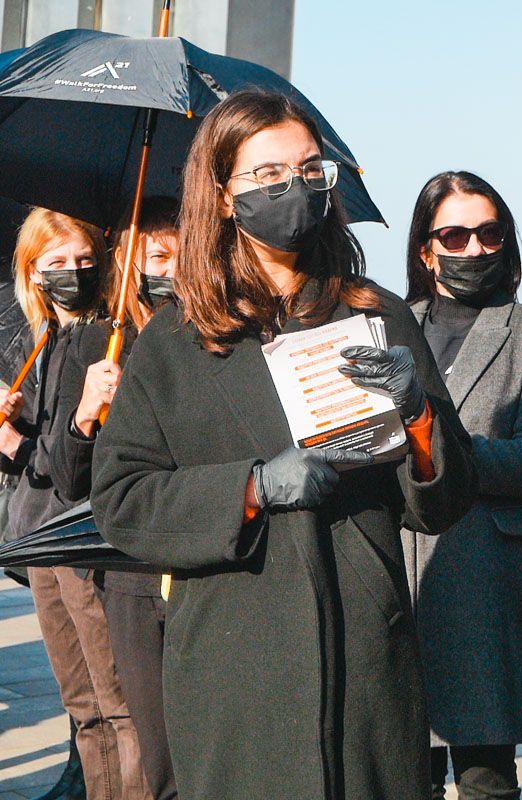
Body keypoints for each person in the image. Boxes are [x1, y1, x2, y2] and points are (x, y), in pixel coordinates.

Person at [88, 90, 477, 800]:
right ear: (223, 192)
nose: (293, 188)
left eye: (308, 169)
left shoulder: (376, 313)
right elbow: (122, 501)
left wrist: (419, 416)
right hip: (237, 671)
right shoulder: (172, 344)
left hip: (366, 661)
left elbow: (444, 501)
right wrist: (251, 487)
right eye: (267, 174)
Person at [404, 170, 522, 799]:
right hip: (401, 569)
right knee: (404, 770)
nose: (474, 249)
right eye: (455, 234)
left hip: (486, 577)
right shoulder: (391, 325)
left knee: (485, 777)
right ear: (427, 248)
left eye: (489, 233)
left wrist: (440, 449)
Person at [1, 208, 152, 800]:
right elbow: (42, 458)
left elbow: (72, 468)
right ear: (32, 272)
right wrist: (11, 440)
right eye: (56, 263)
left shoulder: (102, 338)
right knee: (82, 705)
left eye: (84, 261)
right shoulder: (44, 341)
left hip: (81, 540)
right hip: (40, 540)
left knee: (114, 705)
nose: (72, 273)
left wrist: (75, 416)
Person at [87, 196, 181, 800]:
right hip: (131, 575)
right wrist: (88, 413)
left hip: (201, 563)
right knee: (159, 753)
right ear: (128, 262)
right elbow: (73, 478)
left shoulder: (211, 340)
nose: (168, 271)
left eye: (180, 257)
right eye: (156, 257)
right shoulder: (103, 346)